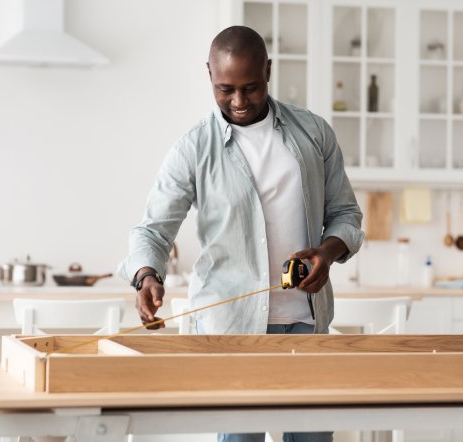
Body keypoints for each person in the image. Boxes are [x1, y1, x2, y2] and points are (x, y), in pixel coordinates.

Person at [118, 26, 364, 442]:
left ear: (269, 70)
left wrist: (328, 250)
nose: (239, 102)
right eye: (225, 89)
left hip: (307, 324)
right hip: (230, 330)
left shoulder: (314, 134)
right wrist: (146, 276)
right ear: (209, 75)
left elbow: (345, 214)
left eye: (251, 88)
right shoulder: (194, 148)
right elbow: (153, 229)